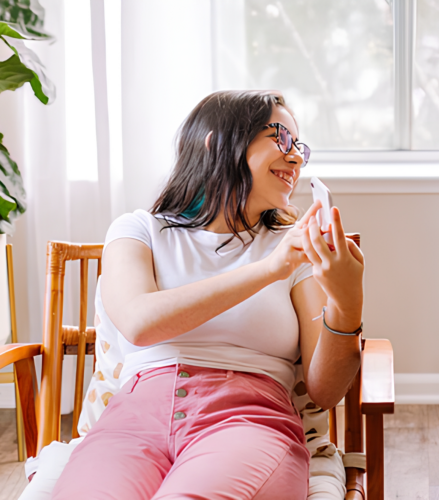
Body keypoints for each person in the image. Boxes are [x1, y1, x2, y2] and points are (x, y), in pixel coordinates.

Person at [52, 90, 365, 499]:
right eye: (280, 138)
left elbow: (325, 391)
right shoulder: (138, 231)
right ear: (217, 143)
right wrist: (268, 270)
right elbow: (140, 323)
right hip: (131, 422)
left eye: (299, 146)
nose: (295, 158)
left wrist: (346, 304)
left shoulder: (293, 249)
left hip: (248, 420)